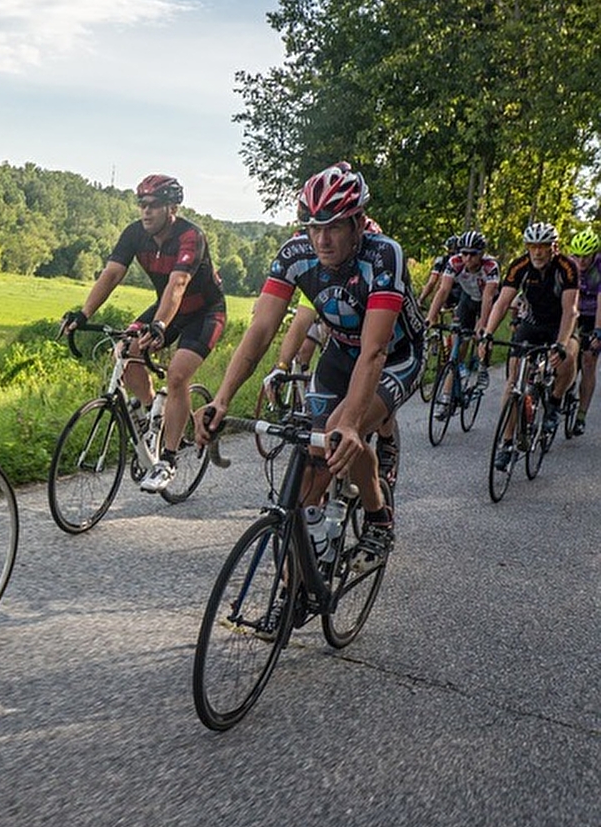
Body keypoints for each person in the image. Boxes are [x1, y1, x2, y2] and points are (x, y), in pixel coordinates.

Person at [195, 162, 423, 576]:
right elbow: (261, 330)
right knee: (312, 459)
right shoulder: (295, 253)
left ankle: (378, 518)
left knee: (341, 432)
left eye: (333, 227)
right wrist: (222, 399)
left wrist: (351, 423)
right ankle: (303, 568)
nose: (322, 239)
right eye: (314, 227)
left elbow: (374, 351)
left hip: (396, 356)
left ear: (358, 223)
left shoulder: (383, 254)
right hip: (340, 353)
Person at [59, 174, 227, 492]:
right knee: (125, 350)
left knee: (177, 375)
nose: (145, 211)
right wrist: (83, 314)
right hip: (166, 307)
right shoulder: (135, 233)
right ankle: (154, 413)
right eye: (142, 204)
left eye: (153, 205)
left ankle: (168, 461)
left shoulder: (191, 235)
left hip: (204, 312)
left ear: (172, 208)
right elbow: (112, 274)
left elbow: (178, 284)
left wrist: (159, 325)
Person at [482, 221, 580, 468]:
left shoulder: (567, 267)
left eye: (543, 246)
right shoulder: (520, 266)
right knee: (514, 382)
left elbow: (570, 310)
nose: (537, 252)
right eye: (532, 246)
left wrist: (560, 344)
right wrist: (487, 333)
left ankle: (555, 401)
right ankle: (507, 443)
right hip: (532, 323)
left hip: (560, 324)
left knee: (569, 355)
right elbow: (502, 303)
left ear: (553, 247)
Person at [423, 229, 498, 409]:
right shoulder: (454, 262)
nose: (467, 258)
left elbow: (488, 297)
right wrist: (431, 317)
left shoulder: (490, 266)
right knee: (457, 343)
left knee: (482, 337)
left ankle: (483, 366)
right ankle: (447, 395)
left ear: (481, 253)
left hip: (488, 301)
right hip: (468, 299)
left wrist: (482, 325)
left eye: (473, 254)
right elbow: (443, 290)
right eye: (464, 253)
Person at [568, 227, 601, 434]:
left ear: (594, 255)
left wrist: (598, 331)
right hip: (573, 311)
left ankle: (581, 415)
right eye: (577, 256)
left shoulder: (599, 268)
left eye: (586, 257)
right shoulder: (569, 264)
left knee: (588, 361)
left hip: (594, 315)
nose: (581, 261)